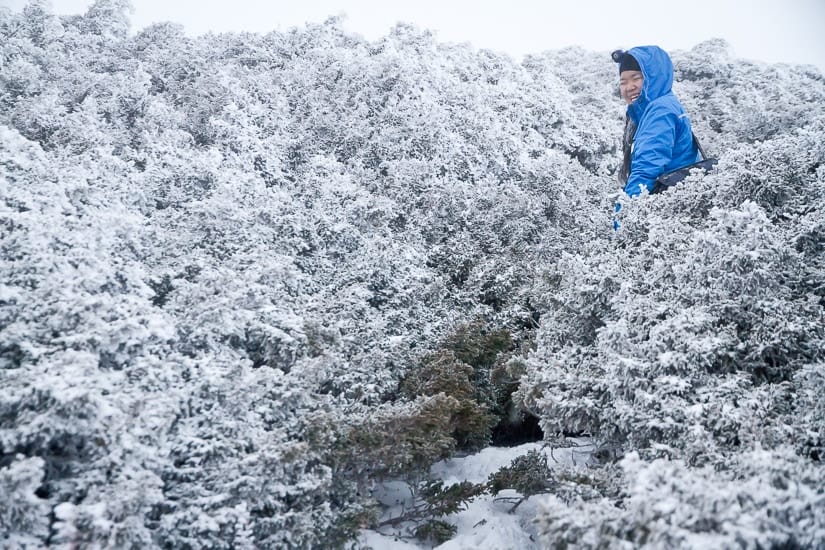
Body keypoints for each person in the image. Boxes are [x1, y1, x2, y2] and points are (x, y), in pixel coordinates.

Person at [613, 45, 699, 201]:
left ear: (653, 77)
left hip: (671, 206)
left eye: (636, 78)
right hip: (675, 200)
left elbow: (646, 170)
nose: (629, 87)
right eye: (623, 82)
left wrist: (623, 217)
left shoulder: (661, 111)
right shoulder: (650, 111)